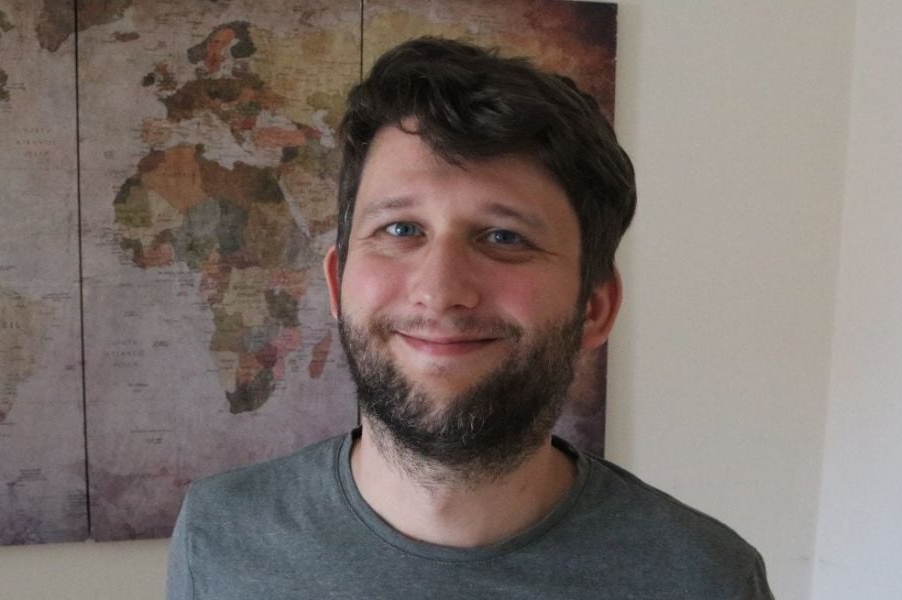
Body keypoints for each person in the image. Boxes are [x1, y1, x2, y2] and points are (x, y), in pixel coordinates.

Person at [166, 37, 774, 599]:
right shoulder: (219, 537)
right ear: (337, 281)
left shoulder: (705, 578)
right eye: (400, 229)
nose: (440, 291)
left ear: (595, 307)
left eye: (505, 236)